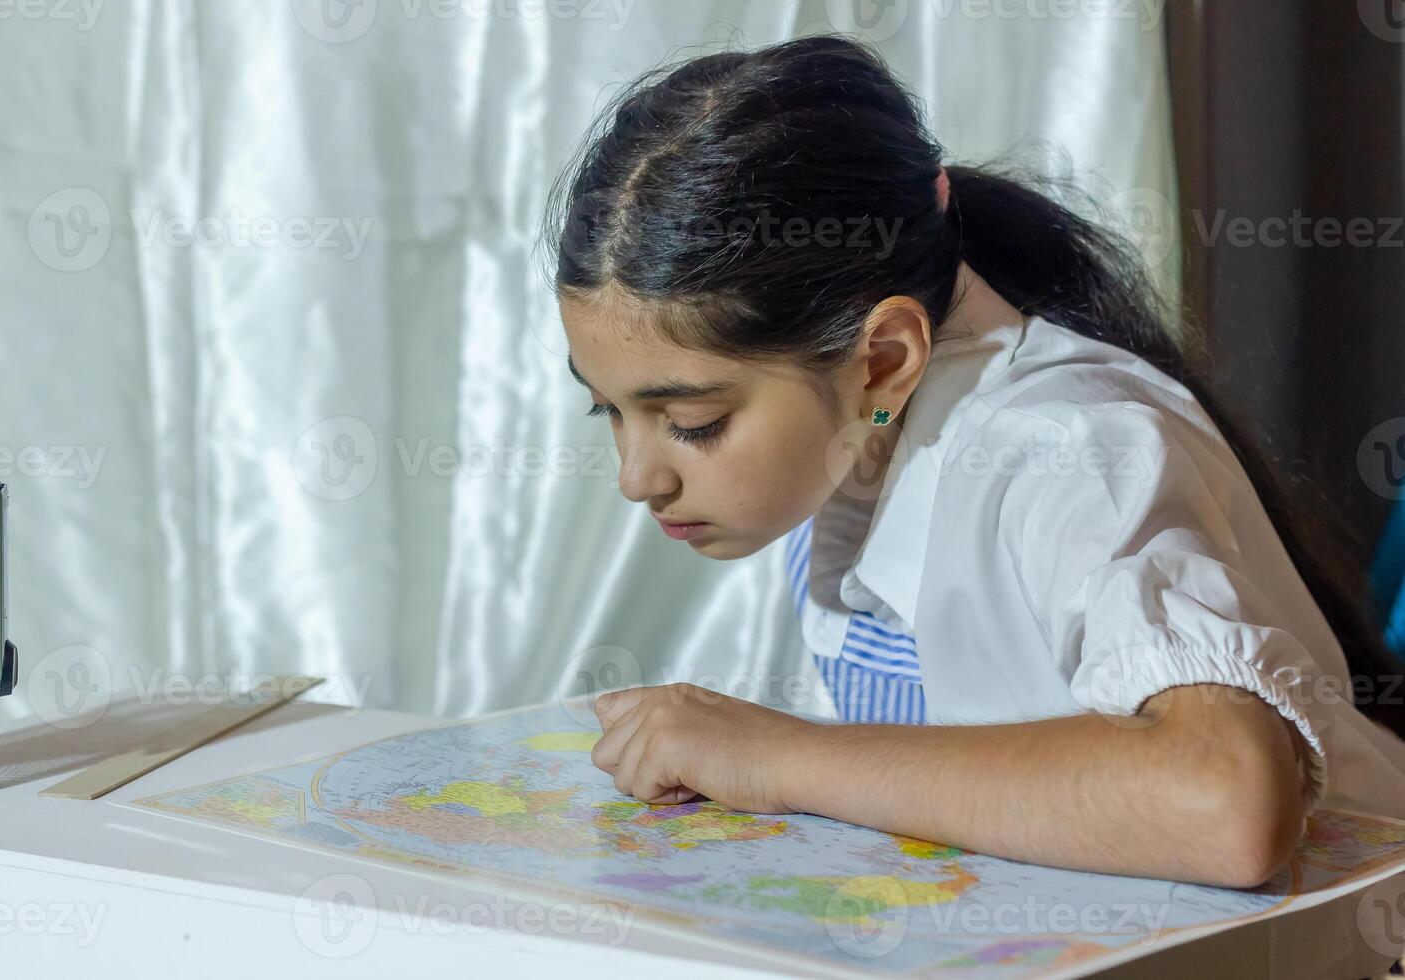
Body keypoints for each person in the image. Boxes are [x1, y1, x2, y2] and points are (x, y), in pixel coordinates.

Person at [547, 35, 1405, 887]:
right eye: (607, 409)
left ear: (883, 359)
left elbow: (1227, 801)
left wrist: (779, 755)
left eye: (692, 421)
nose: (637, 478)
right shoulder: (851, 453)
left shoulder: (1069, 446)